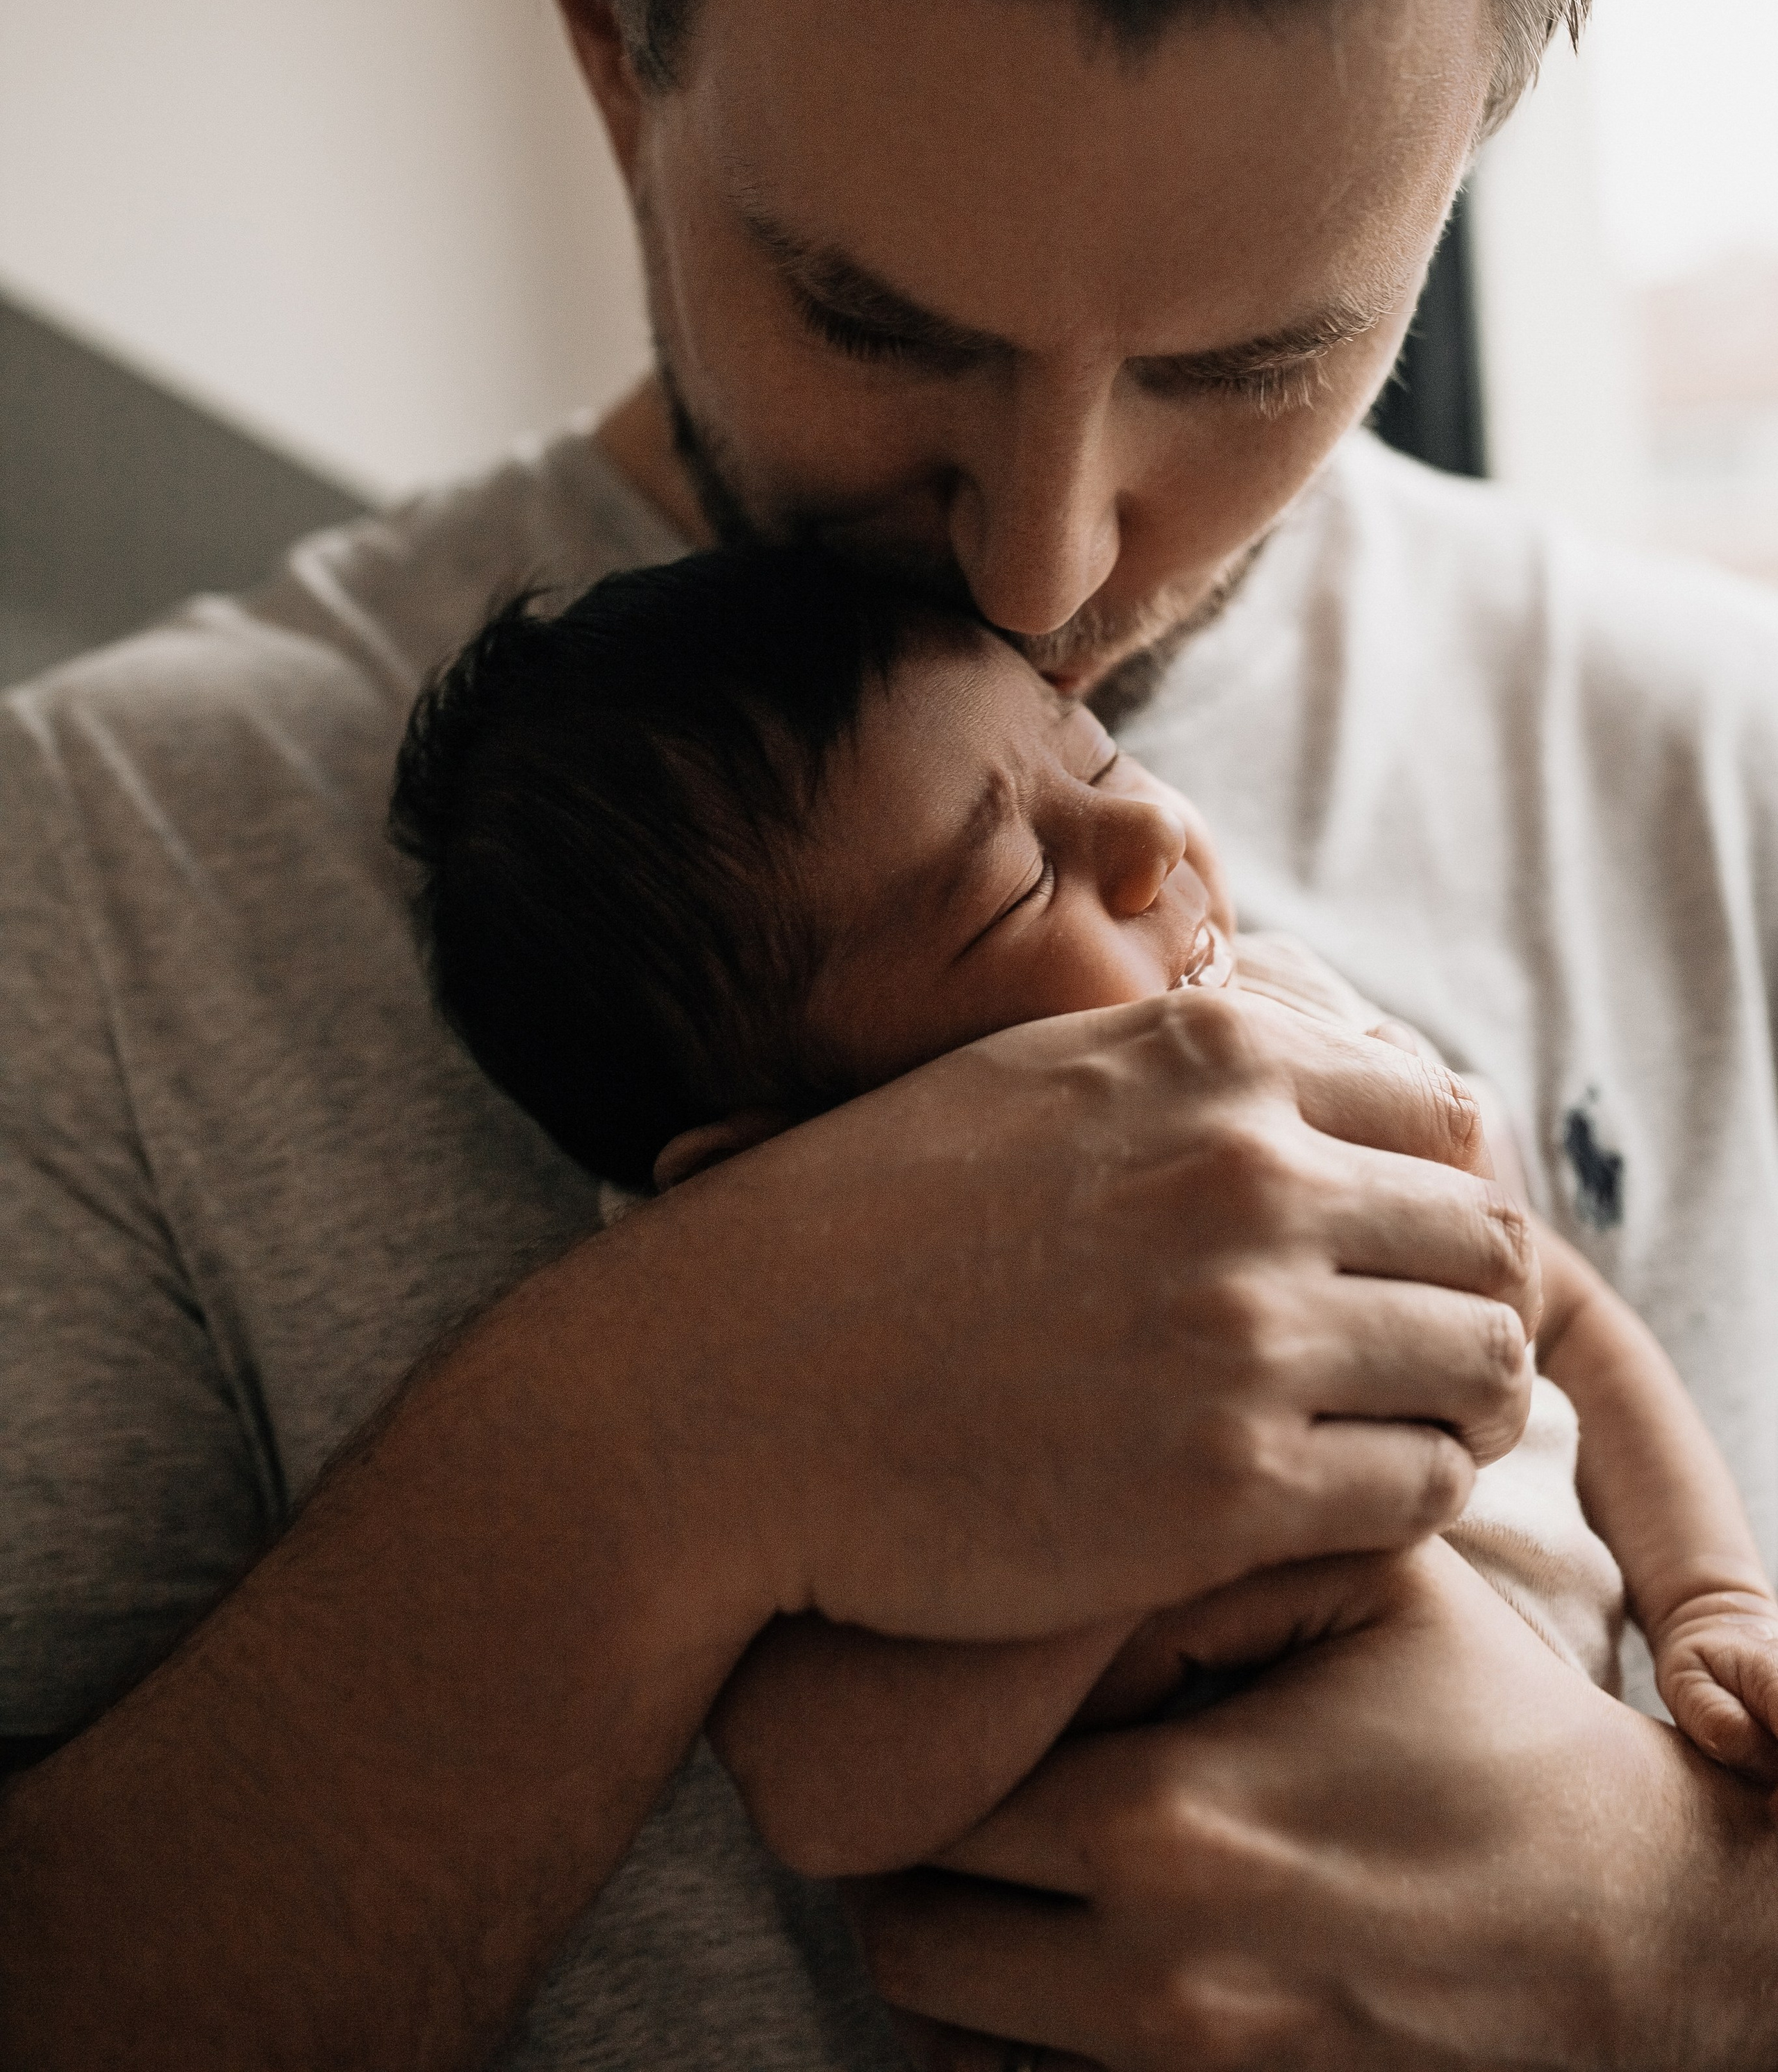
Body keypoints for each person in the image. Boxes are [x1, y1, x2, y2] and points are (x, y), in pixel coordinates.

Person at [3, 0, 1777, 2066]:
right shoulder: (103, 883)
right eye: (884, 322)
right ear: (614, 33)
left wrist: (1696, 1951)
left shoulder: (1722, 776)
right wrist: (670, 1432)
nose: (1052, 562)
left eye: (1254, 356)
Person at [386, 540, 1778, 1879]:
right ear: (786, 1170)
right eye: (1009, 889)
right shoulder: (848, 1385)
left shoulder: (1301, 1024)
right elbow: (821, 1798)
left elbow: (1571, 1314)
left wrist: (1710, 1597)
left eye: (1092, 753)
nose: (1148, 830)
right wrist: (1126, 1528)